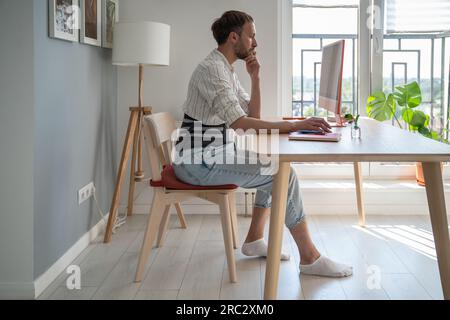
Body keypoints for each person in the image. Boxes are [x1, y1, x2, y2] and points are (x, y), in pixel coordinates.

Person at [173, 10, 352, 278]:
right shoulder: (212, 70)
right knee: (283, 174)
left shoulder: (226, 69)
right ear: (234, 37)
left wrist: (255, 77)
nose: (255, 42)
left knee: (274, 166)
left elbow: (252, 116)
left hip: (212, 152)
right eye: (251, 36)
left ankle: (255, 240)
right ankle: (310, 258)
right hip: (197, 161)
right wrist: (294, 125)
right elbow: (241, 124)